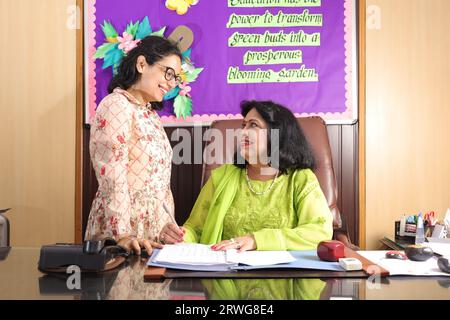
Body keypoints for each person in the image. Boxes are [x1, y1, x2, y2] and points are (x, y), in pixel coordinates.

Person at [159, 100, 333, 251]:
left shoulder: (300, 178)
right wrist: (180, 236)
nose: (242, 132)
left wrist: (256, 240)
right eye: (243, 126)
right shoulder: (222, 177)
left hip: (285, 279)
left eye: (253, 125)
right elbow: (195, 229)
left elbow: (319, 231)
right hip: (225, 277)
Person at [85, 36, 185, 255]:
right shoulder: (116, 105)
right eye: (168, 72)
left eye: (176, 77)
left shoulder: (150, 115)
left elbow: (160, 184)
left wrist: (166, 225)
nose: (171, 83)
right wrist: (122, 234)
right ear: (141, 64)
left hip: (150, 238)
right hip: (121, 236)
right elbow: (113, 175)